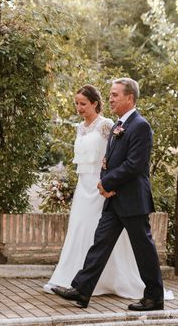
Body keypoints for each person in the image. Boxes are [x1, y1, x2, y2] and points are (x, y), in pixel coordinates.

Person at [52, 78, 165, 311]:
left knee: (143, 249)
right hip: (114, 197)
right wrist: (105, 179)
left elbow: (135, 164)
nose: (110, 99)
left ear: (129, 98)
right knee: (100, 244)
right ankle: (82, 291)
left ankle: (154, 297)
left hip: (133, 199)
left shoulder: (140, 125)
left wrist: (106, 181)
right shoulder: (117, 126)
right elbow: (110, 159)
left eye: (115, 95)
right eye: (111, 95)